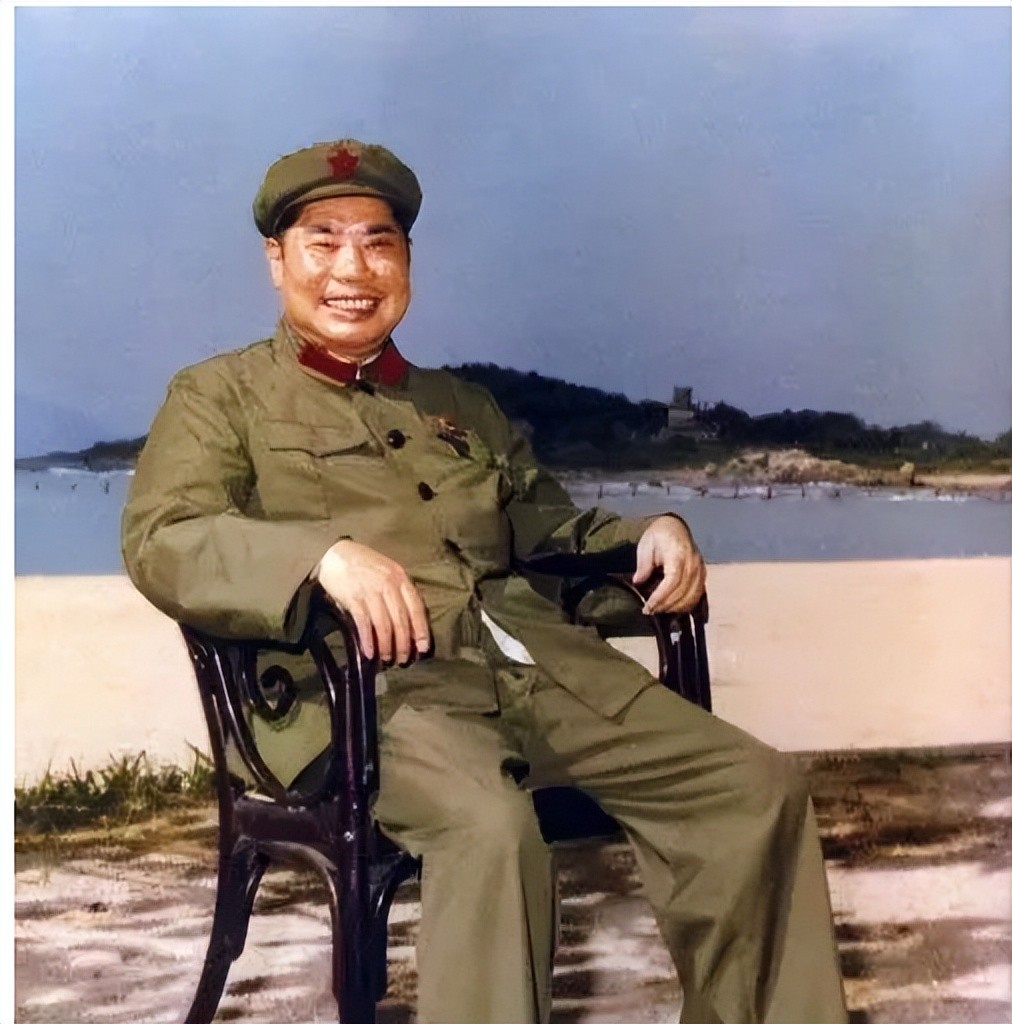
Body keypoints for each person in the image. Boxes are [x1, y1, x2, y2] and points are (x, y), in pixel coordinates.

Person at [122, 139, 848, 1024]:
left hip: (539, 672)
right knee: (492, 830)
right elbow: (164, 536)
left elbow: (548, 530)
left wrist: (652, 534)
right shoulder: (217, 396)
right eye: (323, 242)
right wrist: (319, 557)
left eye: (379, 242)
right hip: (365, 703)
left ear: (407, 262)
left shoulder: (462, 408)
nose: (353, 269)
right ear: (277, 261)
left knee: (755, 790)